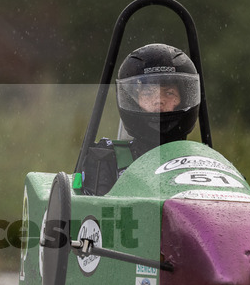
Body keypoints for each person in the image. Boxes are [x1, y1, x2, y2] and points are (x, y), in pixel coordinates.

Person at [80, 43, 201, 195]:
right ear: (134, 101)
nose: (159, 101)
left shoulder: (205, 161)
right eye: (149, 93)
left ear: (184, 100)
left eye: (169, 93)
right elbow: (99, 215)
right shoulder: (108, 159)